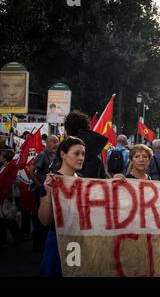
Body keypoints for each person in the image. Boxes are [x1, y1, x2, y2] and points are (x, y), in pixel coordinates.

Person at [39, 136, 86, 276]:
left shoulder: (84, 181)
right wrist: (48, 194)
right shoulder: (51, 181)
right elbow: (44, 220)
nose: (81, 158)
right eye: (76, 153)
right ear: (63, 154)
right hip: (57, 241)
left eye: (83, 154)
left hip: (79, 242)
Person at [28, 135, 59, 252]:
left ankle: (43, 243)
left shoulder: (54, 155)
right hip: (41, 190)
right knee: (39, 218)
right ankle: (37, 245)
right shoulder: (42, 155)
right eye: (53, 142)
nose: (55, 144)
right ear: (47, 143)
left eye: (57, 142)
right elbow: (30, 170)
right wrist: (38, 184)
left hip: (49, 190)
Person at [64, 110, 108, 179]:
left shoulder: (68, 146)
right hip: (93, 187)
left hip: (70, 186)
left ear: (68, 129)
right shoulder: (97, 147)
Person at [0, 149, 22, 248]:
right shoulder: (4, 167)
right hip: (5, 195)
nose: (0, 156)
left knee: (8, 218)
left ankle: (17, 237)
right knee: (4, 218)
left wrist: (8, 182)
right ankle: (5, 239)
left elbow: (17, 181)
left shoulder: (12, 167)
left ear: (5, 157)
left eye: (1, 155)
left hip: (10, 195)